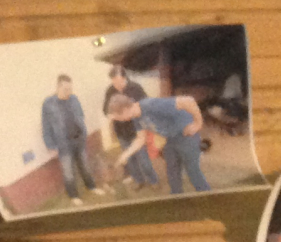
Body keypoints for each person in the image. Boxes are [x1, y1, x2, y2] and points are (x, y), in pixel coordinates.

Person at [107, 91, 209, 194]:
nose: (121, 121)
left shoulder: (150, 105)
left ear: (125, 110)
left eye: (119, 118)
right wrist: (125, 155)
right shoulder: (136, 117)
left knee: (193, 171)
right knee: (172, 171)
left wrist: (198, 123)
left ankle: (206, 195)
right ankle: (176, 196)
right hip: (171, 138)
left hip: (187, 135)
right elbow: (140, 139)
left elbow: (188, 101)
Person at [41, 75, 97, 206]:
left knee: (85, 166)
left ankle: (91, 187)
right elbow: (46, 126)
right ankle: (73, 195)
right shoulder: (48, 104)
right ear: (58, 87)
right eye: (66, 89)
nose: (69, 92)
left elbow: (81, 114)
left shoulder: (74, 99)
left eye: (70, 89)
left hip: (79, 140)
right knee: (68, 171)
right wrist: (50, 146)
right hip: (63, 144)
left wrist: (83, 131)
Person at [100, 66, 159, 190]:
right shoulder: (110, 90)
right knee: (130, 160)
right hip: (121, 132)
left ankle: (153, 180)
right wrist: (112, 115)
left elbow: (145, 106)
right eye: (114, 82)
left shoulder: (136, 88)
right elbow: (105, 109)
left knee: (143, 159)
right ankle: (139, 180)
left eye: (119, 82)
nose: (117, 86)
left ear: (124, 78)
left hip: (137, 130)